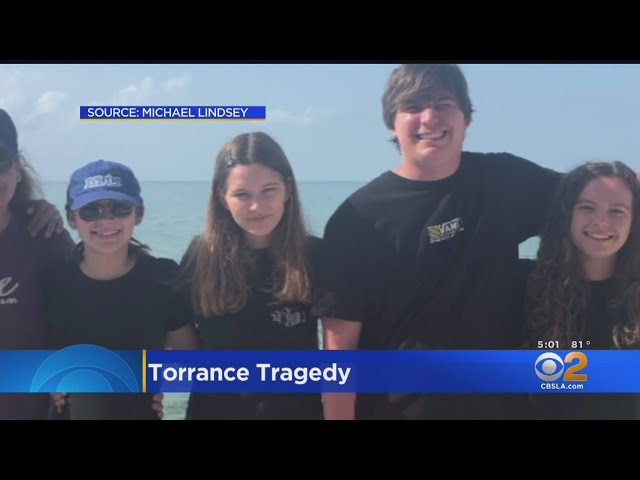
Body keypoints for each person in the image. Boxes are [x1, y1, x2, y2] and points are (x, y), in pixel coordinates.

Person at [313, 63, 563, 420]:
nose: (430, 118)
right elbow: (340, 350)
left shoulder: (506, 180)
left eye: (444, 104)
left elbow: (599, 198)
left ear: (466, 118)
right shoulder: (358, 218)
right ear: (392, 122)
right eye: (413, 106)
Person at [178, 131, 323, 420]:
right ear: (222, 197)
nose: (256, 206)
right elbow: (172, 331)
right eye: (242, 194)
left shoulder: (315, 256)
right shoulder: (201, 255)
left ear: (288, 190)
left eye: (268, 190)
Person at [44, 159, 197, 420]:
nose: (106, 220)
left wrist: (156, 378)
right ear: (72, 218)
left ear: (138, 214)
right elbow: (31, 346)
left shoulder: (162, 278)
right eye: (91, 210)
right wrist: (44, 379)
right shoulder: (55, 281)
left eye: (120, 208)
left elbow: (191, 359)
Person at [523, 161, 640, 420]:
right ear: (568, 215)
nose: (601, 222)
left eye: (617, 211)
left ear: (633, 222)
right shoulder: (523, 288)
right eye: (587, 207)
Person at [0, 108, 74, 420]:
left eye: (0, 161)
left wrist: (139, 389)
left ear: (17, 168)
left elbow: (92, 315)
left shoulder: (46, 237)